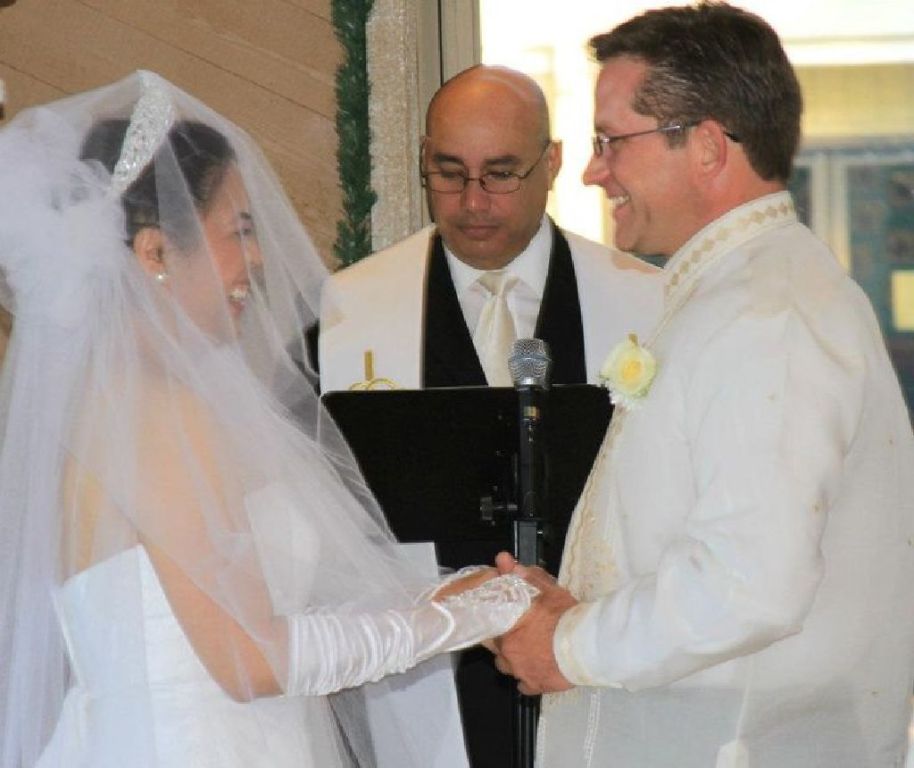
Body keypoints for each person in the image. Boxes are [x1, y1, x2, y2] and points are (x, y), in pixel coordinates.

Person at [0, 71, 539, 768]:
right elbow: (251, 658)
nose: (256, 260)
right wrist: (466, 617)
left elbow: (258, 616)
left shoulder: (127, 401)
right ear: (156, 252)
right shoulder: (156, 412)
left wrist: (444, 597)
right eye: (239, 231)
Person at [493, 4, 914, 767]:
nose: (592, 172)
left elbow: (750, 581)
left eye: (611, 141)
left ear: (709, 147)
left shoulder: (766, 314)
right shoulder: (742, 292)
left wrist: (568, 643)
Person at [317, 64, 661, 392]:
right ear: (424, 159)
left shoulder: (646, 300)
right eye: (450, 174)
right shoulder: (350, 308)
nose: (473, 203)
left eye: (500, 175)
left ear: (551, 163)